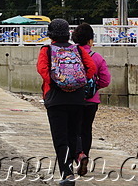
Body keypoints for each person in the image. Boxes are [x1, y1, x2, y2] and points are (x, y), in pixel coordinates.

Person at [36, 19, 97, 185]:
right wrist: (78, 82)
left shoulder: (47, 50)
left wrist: (58, 83)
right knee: (73, 134)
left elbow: (42, 70)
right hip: (77, 99)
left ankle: (67, 174)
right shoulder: (77, 48)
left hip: (56, 99)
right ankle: (79, 155)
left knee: (60, 138)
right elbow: (91, 68)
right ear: (68, 33)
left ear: (50, 34)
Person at [71, 22, 111, 176]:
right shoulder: (97, 57)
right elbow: (105, 80)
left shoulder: (70, 55)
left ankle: (78, 155)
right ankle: (85, 156)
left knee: (74, 129)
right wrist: (94, 88)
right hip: (91, 100)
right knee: (86, 129)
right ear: (90, 40)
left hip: (73, 98)